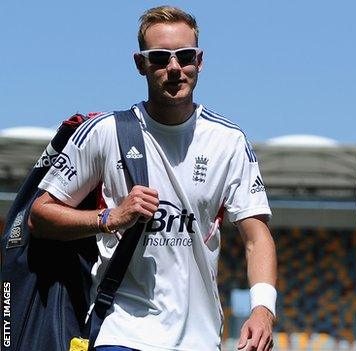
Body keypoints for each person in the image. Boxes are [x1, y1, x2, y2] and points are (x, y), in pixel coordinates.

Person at [28, 6, 276, 351]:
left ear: (199, 61)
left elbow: (256, 236)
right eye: (160, 58)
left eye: (185, 56)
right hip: (121, 332)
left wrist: (263, 309)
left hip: (199, 339)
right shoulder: (105, 132)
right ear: (140, 64)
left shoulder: (229, 141)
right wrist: (109, 218)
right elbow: (39, 215)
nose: (174, 68)